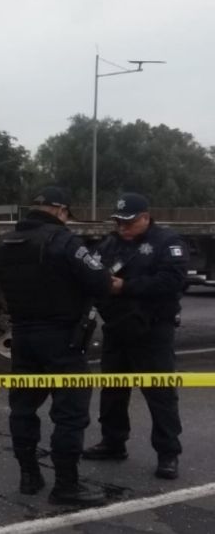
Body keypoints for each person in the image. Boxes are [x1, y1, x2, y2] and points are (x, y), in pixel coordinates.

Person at [0, 186, 112, 506]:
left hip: (23, 339)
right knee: (70, 413)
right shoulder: (63, 241)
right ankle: (67, 486)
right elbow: (100, 282)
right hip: (62, 339)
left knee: (22, 410)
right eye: (67, 215)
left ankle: (29, 476)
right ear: (60, 211)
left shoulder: (3, 244)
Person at [83, 193, 187, 480]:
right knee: (114, 389)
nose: (122, 228)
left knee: (160, 393)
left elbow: (172, 281)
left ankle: (168, 453)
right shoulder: (111, 243)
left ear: (145, 217)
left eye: (128, 222)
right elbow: (95, 274)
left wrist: (125, 287)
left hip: (153, 329)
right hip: (118, 327)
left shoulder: (167, 242)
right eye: (118, 222)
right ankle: (113, 442)